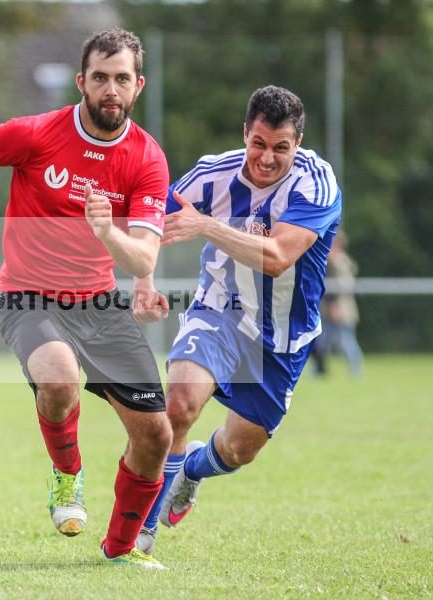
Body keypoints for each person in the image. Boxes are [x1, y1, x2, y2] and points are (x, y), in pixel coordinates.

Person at [0, 29, 172, 569]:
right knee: (59, 378)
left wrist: (108, 234)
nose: (110, 89)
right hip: (28, 297)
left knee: (156, 436)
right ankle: (67, 476)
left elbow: (142, 261)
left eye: (121, 79)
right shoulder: (38, 134)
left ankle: (118, 551)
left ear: (138, 86)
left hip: (98, 304)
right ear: (81, 82)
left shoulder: (147, 159)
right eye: (100, 78)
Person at [132, 85, 342, 556]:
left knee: (239, 448)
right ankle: (138, 538)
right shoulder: (212, 174)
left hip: (283, 335)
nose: (267, 158)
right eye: (259, 143)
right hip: (219, 309)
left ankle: (192, 472)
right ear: (245, 132)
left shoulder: (316, 183)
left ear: (299, 142)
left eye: (281, 148)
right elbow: (150, 220)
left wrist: (206, 225)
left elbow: (278, 257)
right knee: (179, 406)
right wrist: (143, 282)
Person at [319, 232, 363, 377]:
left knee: (345, 340)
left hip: (339, 309)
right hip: (336, 308)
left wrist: (334, 306)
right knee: (322, 340)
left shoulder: (338, 262)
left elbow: (338, 287)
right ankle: (319, 370)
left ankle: (356, 370)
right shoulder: (345, 261)